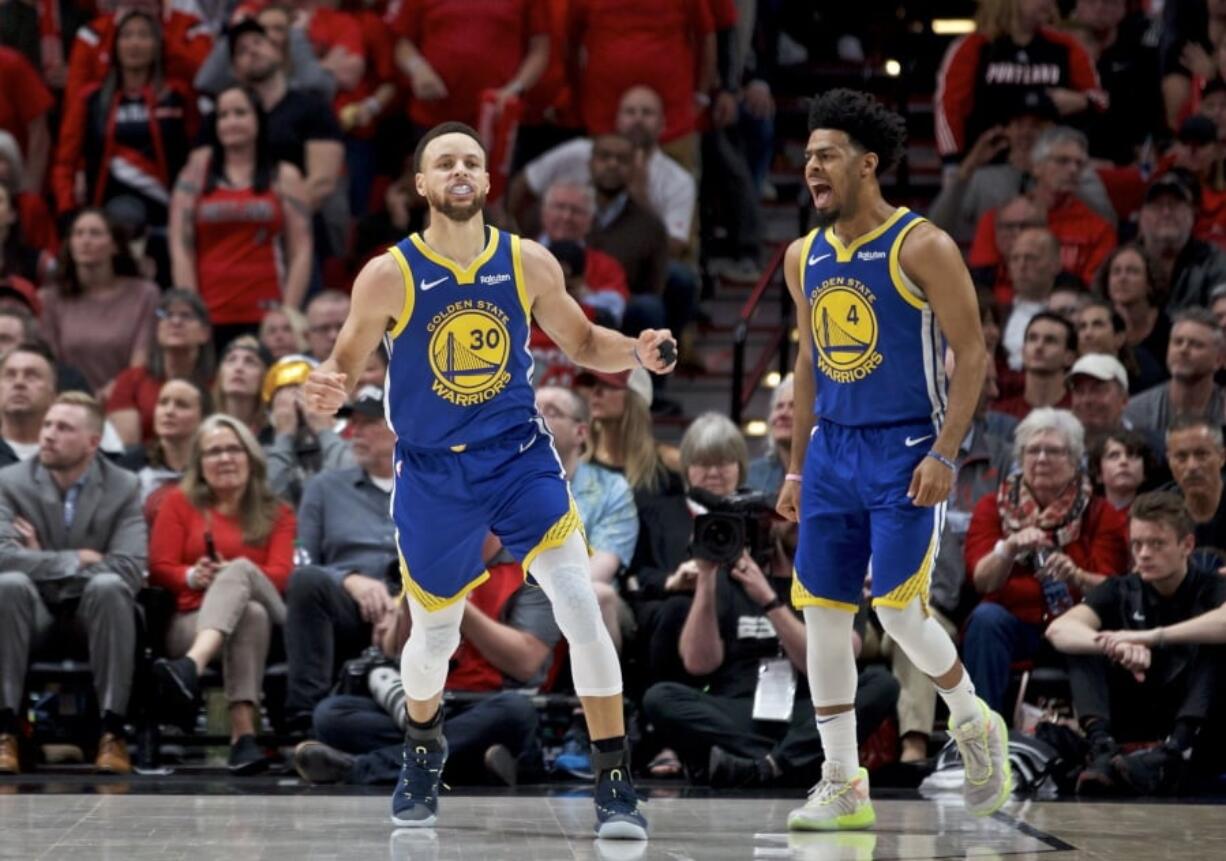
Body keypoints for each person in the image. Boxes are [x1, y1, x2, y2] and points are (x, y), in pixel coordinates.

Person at [303, 121, 675, 839]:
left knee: (578, 602)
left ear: (487, 179)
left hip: (516, 454)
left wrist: (639, 349)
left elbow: (584, 341)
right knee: (435, 634)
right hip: (434, 471)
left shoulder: (527, 261)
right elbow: (344, 360)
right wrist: (325, 387)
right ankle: (421, 744)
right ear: (422, 184)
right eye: (445, 161)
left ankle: (614, 778)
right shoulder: (390, 272)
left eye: (472, 160)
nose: (461, 169)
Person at [776, 88, 1006, 832]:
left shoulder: (924, 246)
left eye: (827, 155)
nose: (812, 167)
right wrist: (793, 467)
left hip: (908, 446)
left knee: (900, 609)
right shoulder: (802, 256)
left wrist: (947, 450)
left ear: (867, 164)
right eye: (807, 156)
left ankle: (974, 722)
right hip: (832, 451)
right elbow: (807, 364)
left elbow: (971, 355)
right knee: (825, 617)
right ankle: (842, 779)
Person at [0, 392, 147, 775]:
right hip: (32, 616)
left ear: (92, 442)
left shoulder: (124, 486)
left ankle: (112, 732)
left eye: (63, 428)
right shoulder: (9, 482)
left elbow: (129, 570)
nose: (48, 435)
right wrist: (75, 559)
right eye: (47, 425)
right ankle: (6, 731)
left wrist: (38, 557)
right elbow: (2, 559)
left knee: (111, 588)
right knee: (9, 585)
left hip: (93, 617)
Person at [1046, 492, 1226, 795]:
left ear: (1187, 545)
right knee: (1082, 645)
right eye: (1137, 544)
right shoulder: (1120, 588)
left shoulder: (1211, 585)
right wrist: (1112, 645)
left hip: (1196, 720)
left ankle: (1177, 750)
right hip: (1135, 703)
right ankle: (1101, 747)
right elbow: (1059, 629)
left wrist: (1150, 636)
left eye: (1157, 544)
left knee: (1217, 643)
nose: (1143, 554)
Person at [149, 413, 296, 774]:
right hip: (191, 619)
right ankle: (243, 738)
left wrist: (231, 572)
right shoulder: (177, 504)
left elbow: (279, 576)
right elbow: (159, 566)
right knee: (249, 615)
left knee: (242, 572)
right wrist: (192, 576)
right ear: (200, 464)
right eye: (214, 452)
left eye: (234, 449)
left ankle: (189, 669)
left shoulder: (278, 512)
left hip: (276, 619)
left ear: (251, 456)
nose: (225, 458)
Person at [964, 408, 1130, 714]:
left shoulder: (1100, 512)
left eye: (1053, 451)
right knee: (986, 619)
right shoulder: (992, 507)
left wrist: (1078, 576)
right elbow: (981, 580)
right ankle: (980, 733)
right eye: (1032, 450)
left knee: (1089, 629)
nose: (1041, 459)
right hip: (1015, 626)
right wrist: (1008, 549)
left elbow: (1117, 589)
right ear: (1020, 457)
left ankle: (1097, 739)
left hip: (1074, 624)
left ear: (1074, 459)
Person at [283, 385, 399, 730]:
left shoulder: (432, 486)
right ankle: (307, 718)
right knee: (306, 583)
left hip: (416, 604)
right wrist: (348, 579)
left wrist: (402, 603)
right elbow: (302, 563)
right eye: (354, 423)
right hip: (346, 607)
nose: (355, 432)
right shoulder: (325, 487)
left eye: (368, 423)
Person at [52, 9, 198, 282]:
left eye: (144, 36)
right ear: (114, 46)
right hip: (108, 221)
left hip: (168, 220)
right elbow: (65, 161)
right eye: (127, 36)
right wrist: (68, 212)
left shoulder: (177, 95)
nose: (134, 44)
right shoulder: (91, 99)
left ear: (157, 44)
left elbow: (197, 154)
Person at [169, 84, 312, 351]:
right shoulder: (195, 174)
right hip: (210, 313)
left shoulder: (284, 175)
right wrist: (191, 310)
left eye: (240, 113)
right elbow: (180, 245)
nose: (231, 122)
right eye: (223, 115)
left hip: (266, 310)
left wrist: (286, 313)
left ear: (258, 119)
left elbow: (301, 249)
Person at [968, 127, 1116, 289]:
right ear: (1037, 167)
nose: (1073, 170)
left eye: (1079, 164)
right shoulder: (999, 220)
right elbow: (982, 283)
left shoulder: (1099, 229)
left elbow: (1093, 290)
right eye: (1062, 161)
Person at [39, 209, 160, 397]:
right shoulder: (50, 299)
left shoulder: (145, 294)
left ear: (115, 245)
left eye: (95, 233)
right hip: (67, 399)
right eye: (78, 234)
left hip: (124, 398)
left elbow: (140, 363)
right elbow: (50, 362)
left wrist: (111, 394)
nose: (85, 241)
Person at [106, 289, 213, 446]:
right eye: (167, 315)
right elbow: (126, 448)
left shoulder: (216, 382)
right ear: (157, 329)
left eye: (186, 315)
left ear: (205, 333)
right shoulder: (131, 380)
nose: (176, 322)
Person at [262, 354, 353, 506]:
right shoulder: (263, 453)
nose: (297, 407)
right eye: (285, 402)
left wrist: (325, 430)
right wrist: (284, 436)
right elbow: (268, 498)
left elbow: (350, 486)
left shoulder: (352, 439)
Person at [1125, 309, 1226, 435]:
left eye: (1196, 345)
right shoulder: (1136, 411)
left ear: (1219, 359)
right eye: (1178, 342)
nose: (1183, 350)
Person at [1136, 171, 1226, 311]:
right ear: (1141, 215)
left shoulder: (1215, 263)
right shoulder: (1120, 264)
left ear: (1192, 213)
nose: (1166, 212)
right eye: (1157, 205)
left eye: (1175, 204)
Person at [1095, 243, 1171, 392]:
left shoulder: (1169, 330)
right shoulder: (1096, 326)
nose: (1122, 278)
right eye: (1116, 272)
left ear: (1150, 281)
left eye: (1132, 272)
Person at [135, 378, 210, 523]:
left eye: (182, 405)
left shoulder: (213, 467)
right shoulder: (130, 467)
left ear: (203, 418)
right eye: (163, 402)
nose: (169, 411)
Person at [992, 312, 1076, 420]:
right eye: (1032, 338)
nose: (1039, 346)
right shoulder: (1000, 415)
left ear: (1069, 357)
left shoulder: (1078, 412)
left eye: (1050, 340)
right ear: (1022, 351)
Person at [1162, 416, 1226, 559]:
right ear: (1169, 461)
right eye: (1181, 457)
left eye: (1201, 454)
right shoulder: (1158, 510)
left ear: (1222, 457)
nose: (1192, 466)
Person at [1000, 227, 1061, 370]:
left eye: (1031, 258)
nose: (1021, 265)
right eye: (1015, 258)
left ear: (1056, 264)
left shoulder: (1071, 313)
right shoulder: (995, 315)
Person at [0, 341, 56, 467]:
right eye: (10, 375)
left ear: (52, 396)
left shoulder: (73, 460)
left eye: (32, 376)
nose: (19, 383)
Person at [212, 335, 270, 438]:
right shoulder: (205, 432)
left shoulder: (274, 434)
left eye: (250, 361)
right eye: (231, 360)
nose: (238, 368)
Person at [747, 374, 794, 501]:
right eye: (779, 406)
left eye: (793, 406)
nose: (783, 413)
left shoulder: (830, 475)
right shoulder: (752, 475)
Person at [1090, 428, 1153, 513]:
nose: (1123, 461)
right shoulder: (1085, 516)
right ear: (1098, 473)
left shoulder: (1157, 515)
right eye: (1114, 456)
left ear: (1144, 471)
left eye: (1132, 455)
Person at [304, 290, 350, 362]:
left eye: (342, 327)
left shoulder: (373, 369)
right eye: (323, 329)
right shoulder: (293, 370)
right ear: (307, 336)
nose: (333, 336)